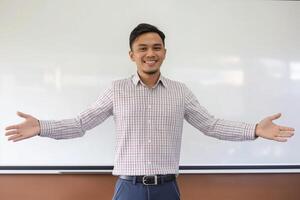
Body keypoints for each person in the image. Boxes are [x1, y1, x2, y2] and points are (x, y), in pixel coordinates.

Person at [4, 23, 295, 200]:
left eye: (156, 47)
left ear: (165, 52)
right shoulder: (116, 89)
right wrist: (41, 126)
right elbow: (81, 123)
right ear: (132, 55)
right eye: (142, 48)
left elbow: (212, 125)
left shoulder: (180, 91)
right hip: (128, 189)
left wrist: (255, 130)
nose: (150, 53)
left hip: (167, 189)